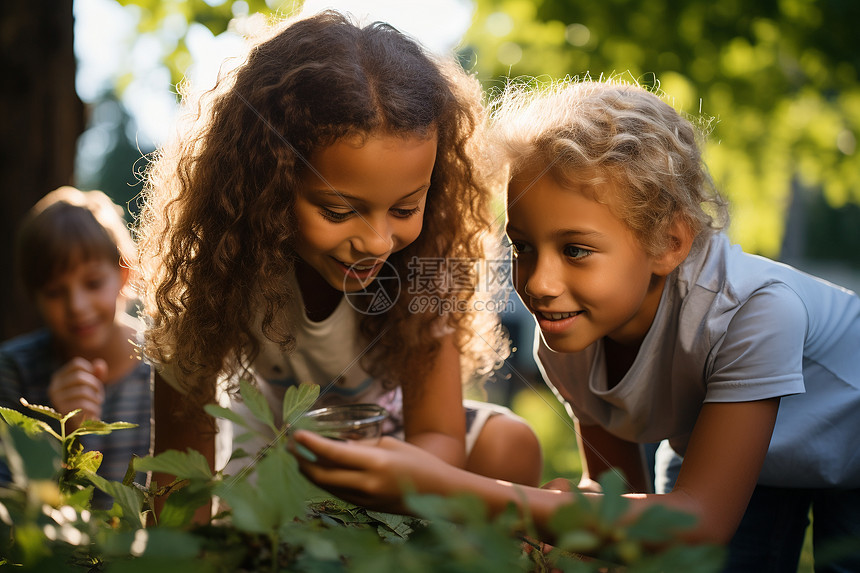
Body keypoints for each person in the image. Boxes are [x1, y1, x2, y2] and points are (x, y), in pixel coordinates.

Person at [294, 79, 860, 572]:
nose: (538, 282)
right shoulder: (568, 339)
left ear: (669, 242)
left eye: (576, 250)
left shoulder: (757, 311)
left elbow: (697, 521)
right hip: (730, 458)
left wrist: (449, 489)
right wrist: (572, 517)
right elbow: (617, 495)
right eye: (522, 247)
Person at [135, 9, 542, 502]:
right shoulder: (215, 273)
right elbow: (179, 470)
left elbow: (439, 437)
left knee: (509, 444)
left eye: (405, 207)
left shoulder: (426, 272)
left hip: (401, 454)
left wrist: (386, 483)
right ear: (267, 185)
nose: (376, 242)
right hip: (283, 454)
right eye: (337, 210)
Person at [0, 187, 151, 508]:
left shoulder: (166, 365)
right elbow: (10, 502)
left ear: (124, 273)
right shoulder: (14, 370)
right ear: (34, 296)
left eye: (93, 283)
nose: (77, 306)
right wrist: (59, 431)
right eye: (55, 292)